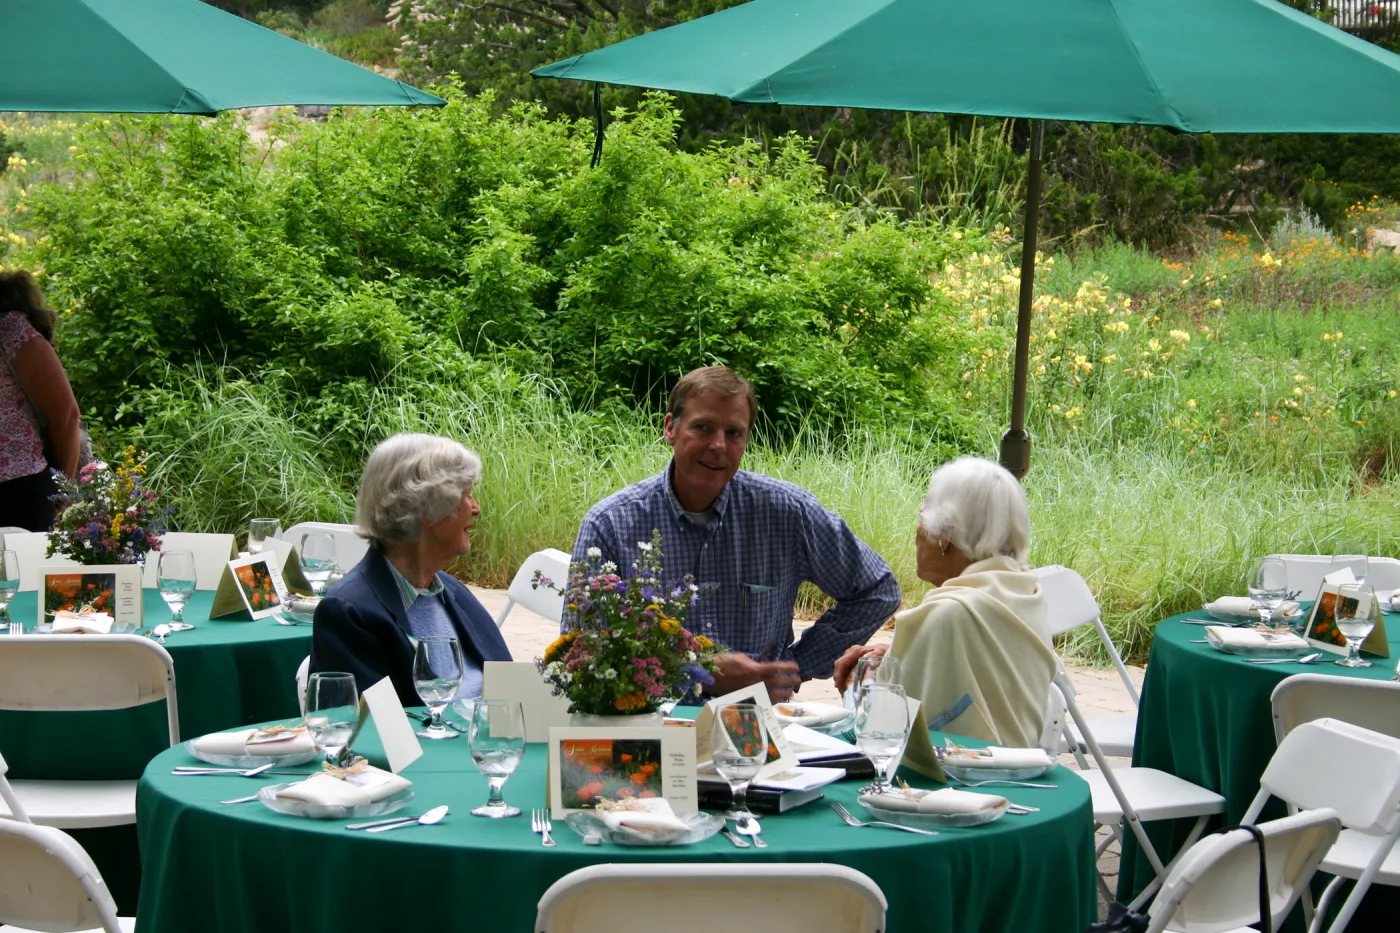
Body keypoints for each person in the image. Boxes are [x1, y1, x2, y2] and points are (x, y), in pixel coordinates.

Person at [571, 366, 901, 703]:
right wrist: (699, 671)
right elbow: (581, 654)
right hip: (646, 728)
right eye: (703, 427)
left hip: (757, 732)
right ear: (670, 428)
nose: (718, 445)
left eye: (734, 433)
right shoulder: (611, 524)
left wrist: (795, 667)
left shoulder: (786, 513)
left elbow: (878, 590)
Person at [833, 456, 1056, 748]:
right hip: (1023, 773)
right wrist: (901, 652)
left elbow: (878, 731)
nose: (918, 531)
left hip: (960, 784)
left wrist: (860, 679)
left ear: (945, 535)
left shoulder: (946, 615)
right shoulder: (1025, 594)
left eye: (922, 517)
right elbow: (981, 673)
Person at [311, 433, 511, 706]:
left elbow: (512, 688)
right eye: (466, 495)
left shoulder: (453, 592)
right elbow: (373, 733)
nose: (476, 508)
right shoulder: (350, 613)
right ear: (426, 508)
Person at [0, 270, 83, 531]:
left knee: (20, 571)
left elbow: (67, 416)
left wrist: (64, 492)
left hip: (16, 490)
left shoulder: (10, 329)